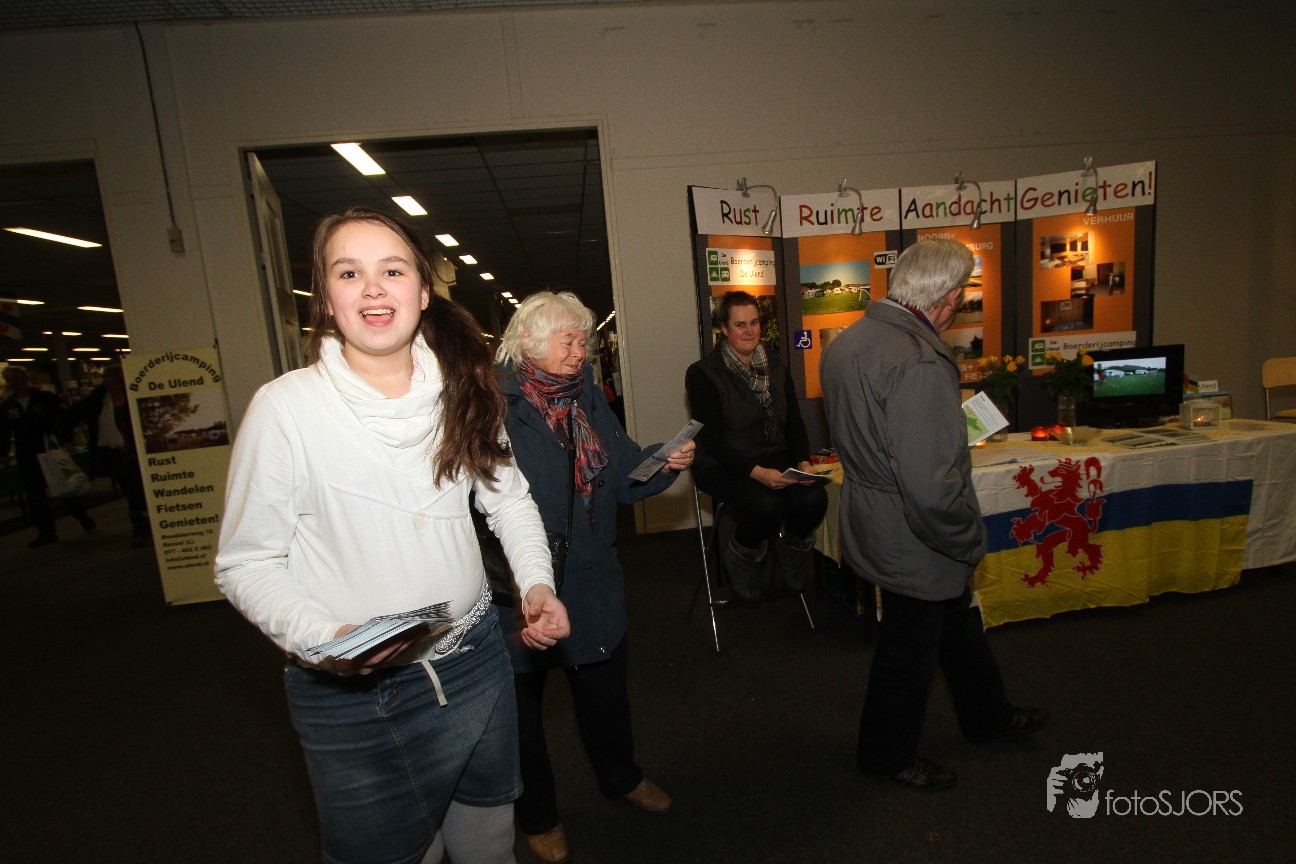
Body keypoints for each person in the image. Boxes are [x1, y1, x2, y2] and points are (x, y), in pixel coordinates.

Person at [214, 206, 570, 864]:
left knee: (489, 841)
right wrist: (325, 639)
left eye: (393, 270)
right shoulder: (286, 409)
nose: (374, 289)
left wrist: (536, 584)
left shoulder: (464, 392)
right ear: (326, 298)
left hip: (475, 661)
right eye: (350, 273)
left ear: (423, 291)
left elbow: (509, 500)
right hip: (355, 699)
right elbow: (245, 563)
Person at [820, 238, 1048, 791]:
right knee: (907, 650)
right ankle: (885, 756)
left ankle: (987, 714)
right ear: (947, 299)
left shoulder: (849, 341)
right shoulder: (917, 360)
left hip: (877, 515)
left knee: (954, 620)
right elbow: (929, 486)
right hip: (915, 532)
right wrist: (966, 537)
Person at [495, 291, 694, 864]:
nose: (580, 352)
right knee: (521, 712)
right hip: (520, 585)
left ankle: (621, 777)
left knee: (605, 692)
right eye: (569, 341)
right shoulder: (493, 402)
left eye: (584, 341)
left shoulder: (583, 394)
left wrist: (662, 460)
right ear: (531, 342)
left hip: (590, 573)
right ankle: (539, 815)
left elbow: (621, 467)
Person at [685, 291, 827, 601]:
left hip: (771, 454)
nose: (749, 331)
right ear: (724, 329)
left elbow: (794, 422)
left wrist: (802, 461)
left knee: (814, 498)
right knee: (766, 505)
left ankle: (791, 550)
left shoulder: (775, 366)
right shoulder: (704, 374)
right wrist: (758, 473)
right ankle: (742, 557)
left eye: (754, 322)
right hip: (720, 463)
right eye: (740, 325)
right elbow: (712, 440)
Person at [1, 364, 96, 548]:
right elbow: (3, 434)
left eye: (19, 378)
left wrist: (66, 440)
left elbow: (65, 418)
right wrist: (3, 456)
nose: (15, 382)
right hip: (27, 455)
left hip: (50, 449)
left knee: (66, 487)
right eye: (11, 379)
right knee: (35, 496)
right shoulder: (7, 407)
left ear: (26, 379)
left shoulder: (46, 398)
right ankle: (46, 532)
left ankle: (82, 516)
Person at [60, 364, 150, 547]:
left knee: (139, 492)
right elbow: (70, 416)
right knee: (132, 493)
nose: (111, 385)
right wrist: (66, 440)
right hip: (115, 454)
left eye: (114, 382)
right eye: (107, 382)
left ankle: (143, 526)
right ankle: (140, 528)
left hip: (137, 453)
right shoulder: (98, 400)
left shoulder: (134, 397)